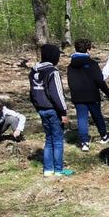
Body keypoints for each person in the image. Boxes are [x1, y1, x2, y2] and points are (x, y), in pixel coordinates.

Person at [30, 44, 73, 177]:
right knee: (58, 140)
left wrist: (37, 107)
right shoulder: (52, 72)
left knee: (48, 139)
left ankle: (48, 170)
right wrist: (63, 112)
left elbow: (32, 93)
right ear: (54, 57)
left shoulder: (33, 72)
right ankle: (59, 170)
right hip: (53, 110)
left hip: (41, 110)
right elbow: (57, 94)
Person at [67, 39, 109, 151]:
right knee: (97, 115)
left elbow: (70, 82)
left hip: (78, 95)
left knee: (82, 118)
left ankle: (84, 142)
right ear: (88, 50)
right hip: (92, 95)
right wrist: (108, 93)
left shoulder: (71, 66)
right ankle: (104, 135)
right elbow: (99, 80)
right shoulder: (92, 64)